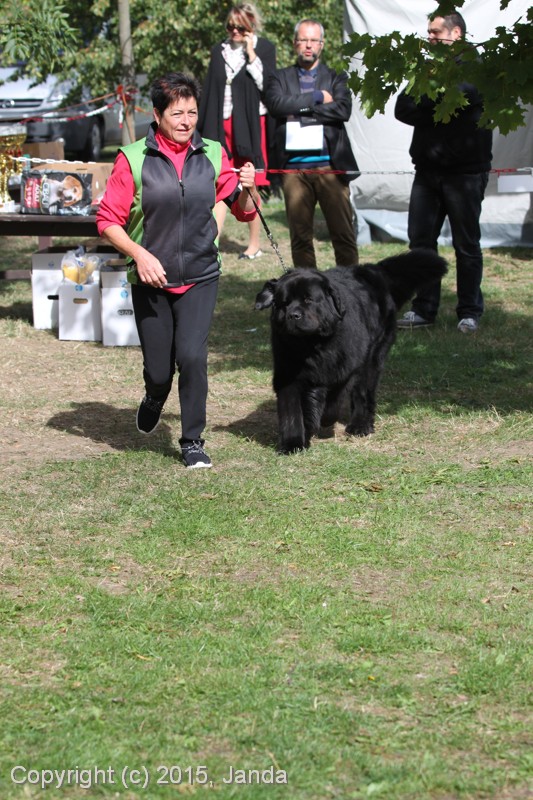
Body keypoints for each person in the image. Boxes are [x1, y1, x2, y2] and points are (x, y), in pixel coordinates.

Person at [96, 72, 260, 468]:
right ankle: (155, 395)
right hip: (151, 278)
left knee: (191, 357)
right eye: (177, 114)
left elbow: (243, 210)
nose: (186, 122)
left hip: (201, 274)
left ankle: (192, 441)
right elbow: (107, 221)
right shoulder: (133, 159)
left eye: (192, 113)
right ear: (157, 115)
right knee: (158, 370)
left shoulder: (213, 153)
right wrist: (140, 255)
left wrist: (249, 188)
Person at [395, 10, 493, 334]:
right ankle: (424, 309)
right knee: (421, 242)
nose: (430, 38)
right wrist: (437, 106)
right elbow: (402, 108)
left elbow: (462, 98)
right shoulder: (426, 68)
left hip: (465, 173)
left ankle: (469, 311)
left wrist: (428, 104)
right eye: (429, 32)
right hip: (426, 171)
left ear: (456, 34)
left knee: (466, 245)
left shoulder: (477, 67)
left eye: (436, 32)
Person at [264, 18, 359, 269]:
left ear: (322, 44)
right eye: (303, 40)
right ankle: (307, 288)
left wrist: (299, 108)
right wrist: (317, 98)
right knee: (300, 239)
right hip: (293, 169)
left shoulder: (336, 77)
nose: (308, 45)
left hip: (330, 167)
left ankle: (350, 284)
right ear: (295, 43)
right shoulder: (279, 78)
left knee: (343, 235)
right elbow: (276, 105)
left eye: (314, 40)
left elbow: (343, 110)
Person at [198, 3, 276, 259]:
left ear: (251, 26)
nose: (234, 31)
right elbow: (211, 89)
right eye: (230, 26)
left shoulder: (265, 48)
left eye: (240, 27)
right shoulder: (218, 50)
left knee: (249, 181)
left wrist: (252, 54)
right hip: (220, 123)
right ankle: (213, 242)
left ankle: (254, 244)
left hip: (251, 125)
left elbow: (268, 87)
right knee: (219, 180)